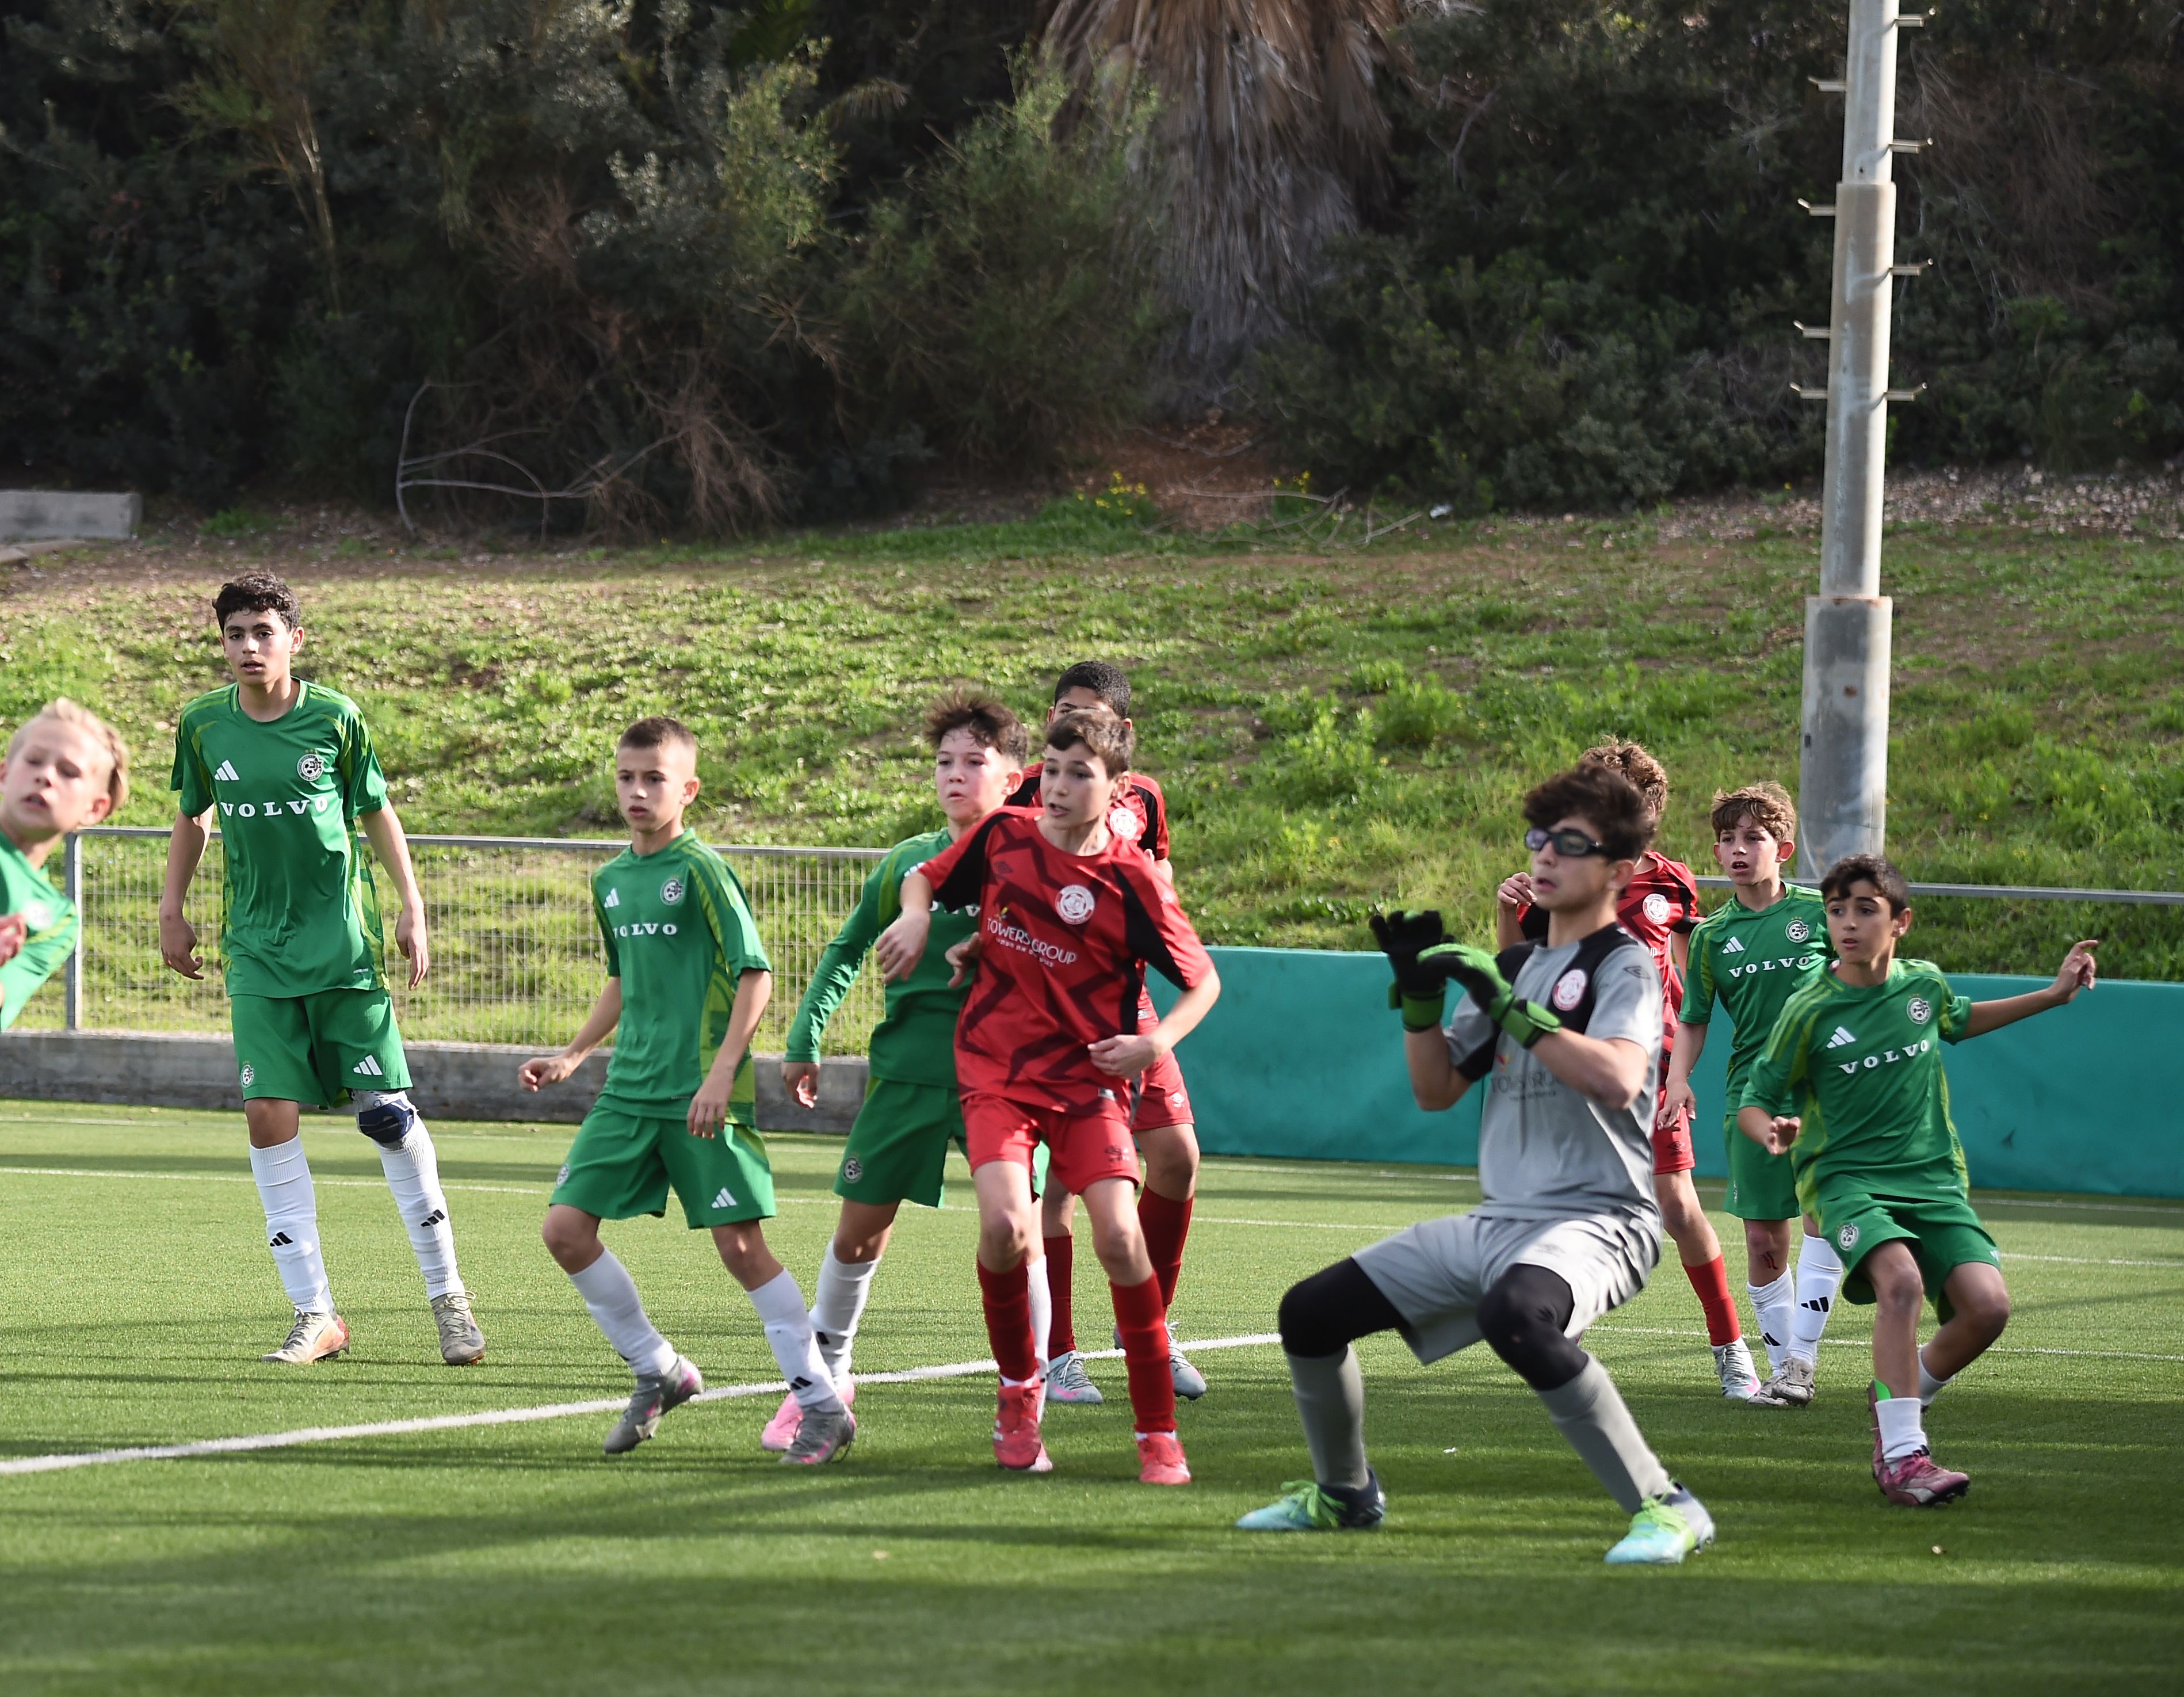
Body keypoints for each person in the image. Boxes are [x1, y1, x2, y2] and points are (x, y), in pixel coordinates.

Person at [1240, 762, 1712, 1565]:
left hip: (1603, 1218)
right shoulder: (1519, 967)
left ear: (1621, 870)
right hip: (1503, 1220)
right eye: (1540, 837)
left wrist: (1506, 1005)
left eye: (1572, 843)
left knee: (1515, 1316)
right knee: (1309, 1314)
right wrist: (1419, 1001)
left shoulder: (1624, 961)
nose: (1546, 854)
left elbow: (1618, 1077)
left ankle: (1668, 1505)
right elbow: (1435, 1090)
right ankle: (1346, 1494)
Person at [875, 708, 1221, 1485]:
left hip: (1088, 1081)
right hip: (995, 1066)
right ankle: (1018, 1393)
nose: (1057, 787)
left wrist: (1155, 1042)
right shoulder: (1006, 834)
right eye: (1052, 771)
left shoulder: (1133, 879)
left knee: (1121, 1239)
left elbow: (1203, 982)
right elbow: (924, 876)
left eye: (1079, 774)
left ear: (1119, 788)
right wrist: (917, 917)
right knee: (1006, 1227)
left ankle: (1157, 1431)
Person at [161, 573, 483, 1368]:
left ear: (294, 640)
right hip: (256, 951)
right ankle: (315, 1313)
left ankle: (449, 1299)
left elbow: (375, 810)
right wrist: (172, 908)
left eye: (263, 632)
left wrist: (412, 906)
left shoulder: (336, 717)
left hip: (342, 948)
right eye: (235, 634)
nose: (249, 647)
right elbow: (193, 814)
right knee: (267, 1115)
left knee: (387, 1118)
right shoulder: (204, 724)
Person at [521, 717, 853, 1465]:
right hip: (629, 1091)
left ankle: (822, 1405)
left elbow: (754, 973)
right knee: (564, 1231)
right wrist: (573, 1054)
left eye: (655, 779)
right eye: (626, 778)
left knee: (741, 1248)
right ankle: (659, 1369)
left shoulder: (701, 869)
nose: (637, 792)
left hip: (701, 1091)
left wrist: (722, 1073)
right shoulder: (610, 879)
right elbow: (622, 980)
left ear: (688, 789)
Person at [1739, 853, 2097, 1505]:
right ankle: (1904, 1454)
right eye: (1836, 910)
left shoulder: (1922, 986)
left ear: (1900, 922)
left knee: (1987, 1308)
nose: (1848, 923)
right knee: (1899, 1283)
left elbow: (1958, 1019)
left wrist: (2053, 994)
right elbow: (1754, 1099)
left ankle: (1898, 1400)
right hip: (1844, 1179)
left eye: (1865, 909)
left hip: (1931, 1179)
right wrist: (1770, 1132)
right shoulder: (1809, 1007)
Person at [762, 689, 1033, 1453]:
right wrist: (805, 1037)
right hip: (908, 1074)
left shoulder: (1036, 863)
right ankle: (827, 1381)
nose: (955, 775)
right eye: (944, 762)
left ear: (1013, 779)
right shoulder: (906, 863)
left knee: (1019, 1232)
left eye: (974, 761)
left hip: (1005, 1080)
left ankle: (1028, 1394)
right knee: (858, 1233)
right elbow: (848, 948)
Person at [1498, 740, 1758, 1401]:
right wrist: (1505, 911)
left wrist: (1685, 1065)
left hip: (1649, 1067)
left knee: (1677, 1204)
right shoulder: (1554, 877)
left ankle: (1730, 1349)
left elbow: (1693, 980)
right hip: (1573, 1065)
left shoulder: (1672, 882)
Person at [1009, 661, 1205, 1405]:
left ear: (1122, 732)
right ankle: (1058, 1352)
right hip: (1049, 1014)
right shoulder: (1024, 790)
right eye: (1063, 713)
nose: (1073, 728)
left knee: (1177, 1158)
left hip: (1128, 1005)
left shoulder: (1144, 798)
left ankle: (1144, 1323)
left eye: (1089, 717)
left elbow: (1162, 878)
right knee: (1059, 1187)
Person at [1661, 783, 1842, 1406]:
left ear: (1782, 848)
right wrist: (1678, 1078)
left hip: (1823, 1093)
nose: (1738, 849)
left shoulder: (1822, 912)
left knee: (1824, 1222)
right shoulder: (1711, 936)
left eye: (1753, 838)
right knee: (1765, 1242)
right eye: (1727, 839)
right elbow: (1693, 1019)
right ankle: (1782, 1370)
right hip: (1752, 1098)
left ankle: (1800, 1364)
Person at [0, 701, 129, 1027]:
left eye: (69, 772)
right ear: (4, 774)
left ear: (95, 809)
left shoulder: (57, 921)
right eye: (33, 761)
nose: (45, 776)